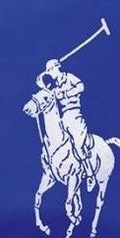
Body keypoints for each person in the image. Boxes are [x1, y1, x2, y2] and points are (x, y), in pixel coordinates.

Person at [38, 59, 96, 190]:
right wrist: (41, 85)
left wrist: (65, 93)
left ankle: (90, 174)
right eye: (48, 71)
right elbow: (48, 96)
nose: (50, 73)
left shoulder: (69, 77)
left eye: (50, 70)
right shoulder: (55, 86)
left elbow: (81, 86)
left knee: (78, 145)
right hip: (63, 117)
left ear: (56, 68)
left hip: (75, 116)